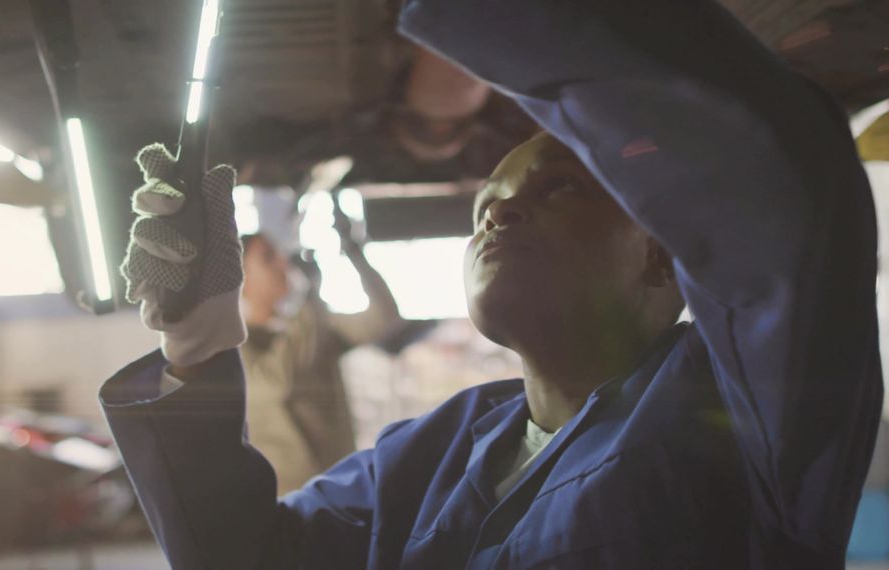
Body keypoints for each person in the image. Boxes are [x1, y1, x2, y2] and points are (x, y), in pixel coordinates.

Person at [105, 0, 882, 568]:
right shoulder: (429, 453)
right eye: (487, 207)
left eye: (560, 190)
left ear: (660, 255)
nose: (500, 217)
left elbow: (783, 183)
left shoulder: (741, 410)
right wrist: (196, 342)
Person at [236, 231, 403, 494]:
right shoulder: (236, 346)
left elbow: (383, 317)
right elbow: (279, 383)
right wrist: (310, 294)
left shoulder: (311, 329)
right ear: (240, 278)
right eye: (269, 259)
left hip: (344, 489)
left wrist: (354, 251)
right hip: (288, 501)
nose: (284, 264)